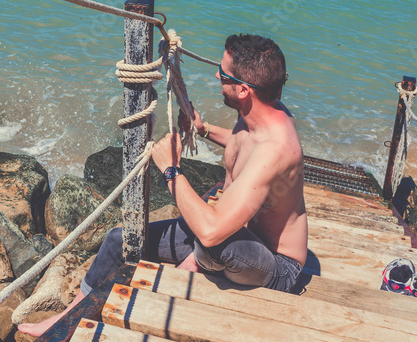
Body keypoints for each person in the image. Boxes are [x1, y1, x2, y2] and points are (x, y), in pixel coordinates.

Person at [18, 33, 307, 338]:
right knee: (119, 240)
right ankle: (68, 317)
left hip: (275, 264)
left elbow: (212, 231)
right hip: (234, 233)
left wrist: (171, 169)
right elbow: (242, 143)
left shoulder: (275, 148)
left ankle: (192, 267)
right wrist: (203, 129)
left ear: (244, 90)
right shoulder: (259, 112)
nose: (216, 76)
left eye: (223, 75)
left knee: (210, 243)